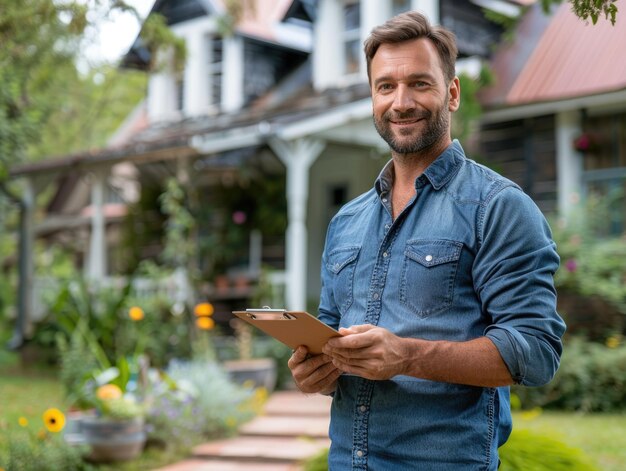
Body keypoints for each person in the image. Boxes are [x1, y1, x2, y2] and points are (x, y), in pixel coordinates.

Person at [287, 10, 566, 471]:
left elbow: (535, 351)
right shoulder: (347, 221)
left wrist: (407, 356)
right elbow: (332, 334)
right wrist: (318, 371)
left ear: (451, 93)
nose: (401, 102)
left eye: (420, 83)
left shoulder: (497, 207)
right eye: (385, 86)